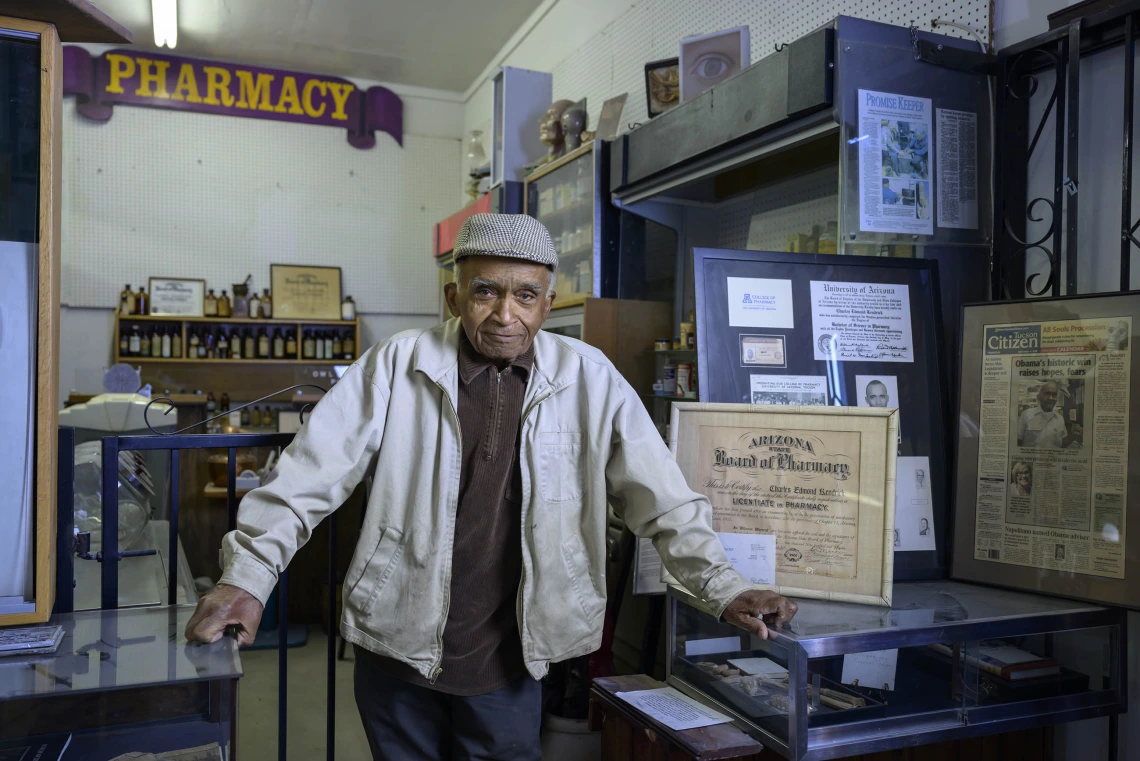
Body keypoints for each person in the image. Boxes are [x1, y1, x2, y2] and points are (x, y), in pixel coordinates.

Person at [184, 214, 798, 760]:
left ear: (548, 301)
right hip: (396, 642)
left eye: (526, 296)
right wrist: (247, 578)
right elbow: (306, 477)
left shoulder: (589, 379)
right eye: (487, 291)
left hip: (510, 656)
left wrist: (722, 587)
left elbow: (662, 498)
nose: (507, 314)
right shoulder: (399, 364)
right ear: (455, 295)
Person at [1017, 382, 1082, 448]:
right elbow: (1018, 440)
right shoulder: (1026, 414)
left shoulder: (1060, 418)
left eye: (1054, 395)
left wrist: (1072, 435)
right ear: (1038, 397)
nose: (1051, 398)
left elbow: (1062, 443)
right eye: (1047, 394)